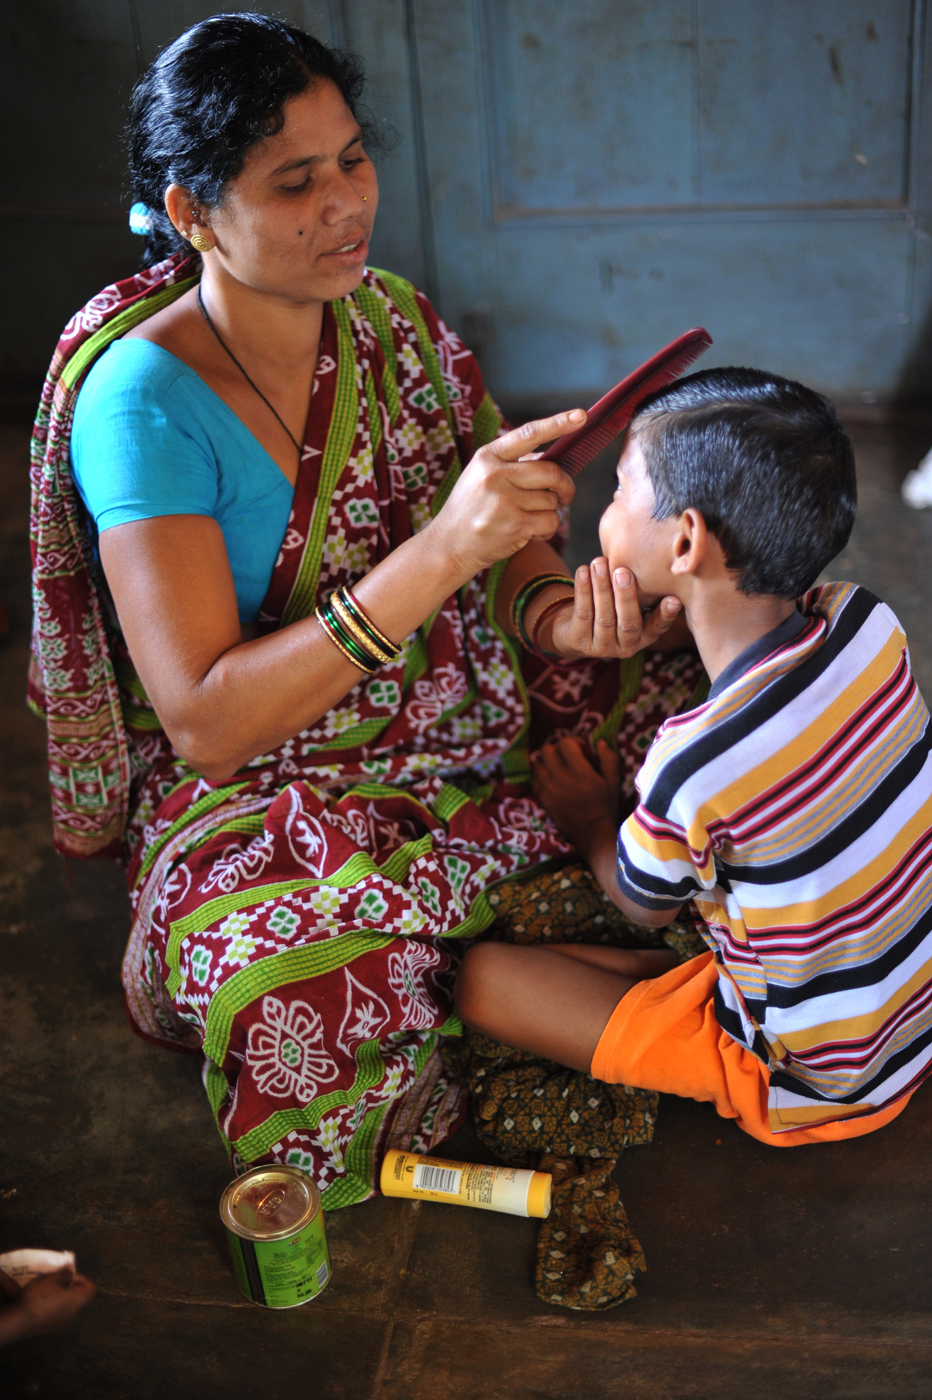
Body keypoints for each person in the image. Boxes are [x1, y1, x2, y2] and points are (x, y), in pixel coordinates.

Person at [28, 13, 705, 1205]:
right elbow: (204, 723)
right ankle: (547, 976)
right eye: (295, 180)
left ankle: (515, 972)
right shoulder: (142, 403)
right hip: (259, 775)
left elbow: (509, 547)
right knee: (293, 990)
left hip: (454, 706)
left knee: (725, 693)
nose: (345, 202)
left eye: (352, 158)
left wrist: (557, 619)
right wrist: (445, 547)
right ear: (190, 212)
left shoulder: (389, 321)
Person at [456, 367, 932, 1145]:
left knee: (482, 981)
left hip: (813, 1081)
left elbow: (646, 905)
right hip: (907, 1004)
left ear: (685, 541)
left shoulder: (694, 757)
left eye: (617, 492)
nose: (600, 512)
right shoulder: (867, 624)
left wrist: (588, 817)